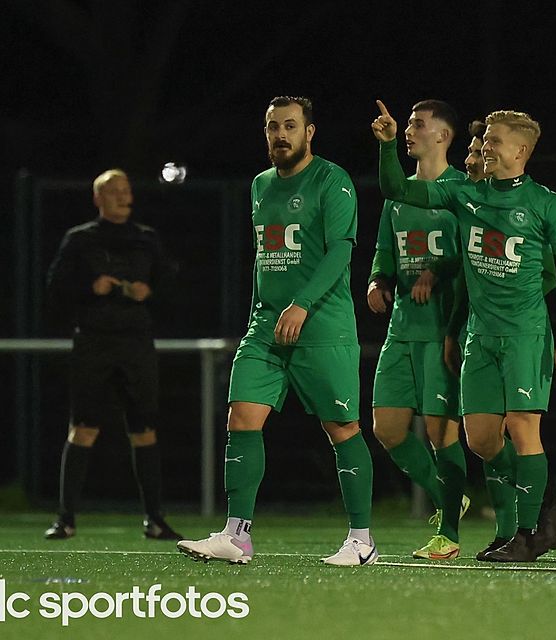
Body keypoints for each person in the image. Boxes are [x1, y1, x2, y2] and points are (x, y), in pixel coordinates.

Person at [373, 103, 556, 562]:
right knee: (482, 441)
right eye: (483, 141)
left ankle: (527, 534)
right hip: (479, 337)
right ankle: (544, 502)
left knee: (524, 429)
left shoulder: (545, 203)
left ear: (522, 150)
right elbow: (394, 188)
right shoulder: (467, 195)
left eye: (493, 142)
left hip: (525, 335)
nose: (484, 149)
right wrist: (389, 144)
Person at [178, 96, 376, 566]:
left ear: (310, 132)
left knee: (342, 427)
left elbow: (340, 252)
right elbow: (264, 261)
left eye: (290, 126)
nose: (280, 135)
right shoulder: (260, 185)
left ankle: (361, 540)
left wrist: (302, 305)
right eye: (272, 127)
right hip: (266, 326)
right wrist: (259, 315)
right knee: (242, 417)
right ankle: (236, 535)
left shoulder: (333, 180)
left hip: (321, 325)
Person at [44, 168, 181, 541]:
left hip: (136, 343)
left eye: (126, 190)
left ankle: (155, 519)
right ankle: (65, 519)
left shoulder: (146, 239)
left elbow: (171, 286)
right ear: (98, 199)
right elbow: (54, 287)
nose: (122, 196)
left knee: (145, 429)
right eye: (113, 191)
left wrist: (147, 290)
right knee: (84, 427)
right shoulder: (79, 239)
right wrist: (91, 287)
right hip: (93, 341)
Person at [367, 99, 470, 561]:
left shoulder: (462, 189)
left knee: (439, 430)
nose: (410, 130)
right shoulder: (399, 193)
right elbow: (385, 249)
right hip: (402, 327)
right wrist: (378, 279)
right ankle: (452, 494)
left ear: (443, 136)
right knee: (386, 427)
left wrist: (440, 272)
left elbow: (472, 256)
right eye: (408, 123)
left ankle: (448, 528)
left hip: (441, 329)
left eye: (418, 124)